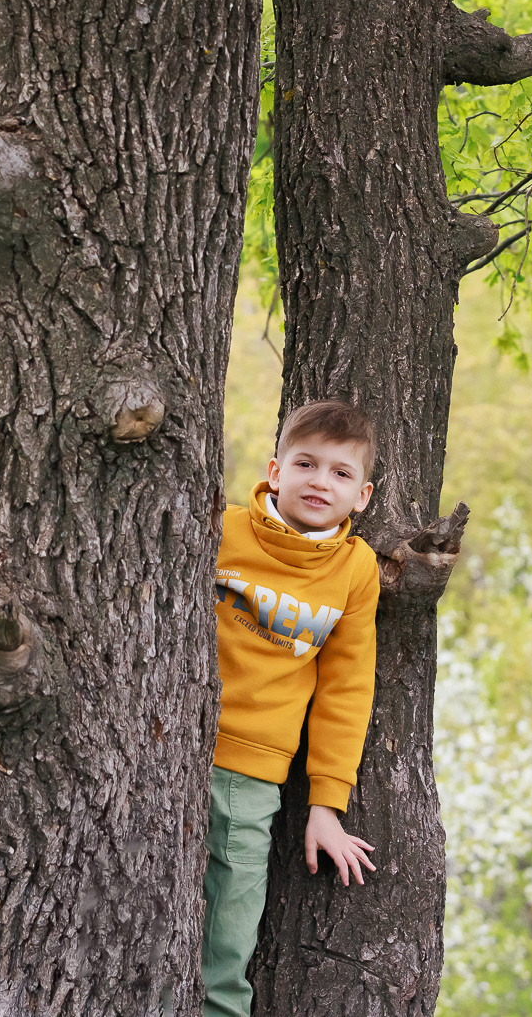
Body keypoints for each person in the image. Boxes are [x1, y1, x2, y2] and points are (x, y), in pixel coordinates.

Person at [202, 399, 382, 1016]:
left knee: (229, 930)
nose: (319, 481)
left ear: (362, 496)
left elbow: (346, 689)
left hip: (252, 774)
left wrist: (326, 805)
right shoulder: (222, 529)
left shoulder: (355, 570)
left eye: (339, 473)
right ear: (275, 471)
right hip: (159, 744)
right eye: (305, 463)